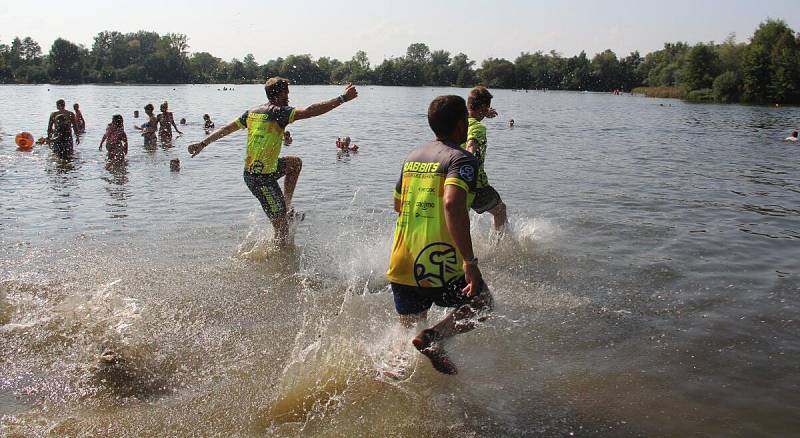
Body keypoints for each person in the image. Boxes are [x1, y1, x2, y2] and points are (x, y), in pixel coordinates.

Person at [387, 95, 492, 375]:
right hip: (440, 261)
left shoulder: (411, 157)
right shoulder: (461, 159)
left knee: (407, 331)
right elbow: (452, 203)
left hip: (403, 260)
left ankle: (389, 382)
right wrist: (469, 261)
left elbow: (398, 205)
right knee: (483, 303)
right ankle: (435, 338)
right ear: (461, 126)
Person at [187, 77, 358, 247]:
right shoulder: (279, 112)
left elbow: (226, 129)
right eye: (286, 94)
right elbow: (309, 111)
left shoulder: (253, 112)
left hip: (264, 170)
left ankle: (287, 206)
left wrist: (203, 144)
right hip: (260, 179)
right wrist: (342, 99)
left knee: (295, 164)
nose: (289, 97)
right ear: (279, 94)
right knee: (282, 231)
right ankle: (278, 266)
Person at [462, 86, 508, 231]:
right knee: (500, 210)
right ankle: (500, 249)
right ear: (482, 107)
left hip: (453, 181)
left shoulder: (459, 123)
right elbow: (471, 147)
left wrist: (483, 112)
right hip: (476, 185)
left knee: (459, 219)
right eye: (486, 107)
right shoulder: (479, 128)